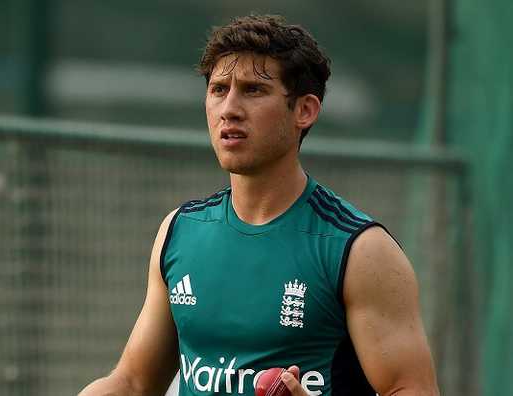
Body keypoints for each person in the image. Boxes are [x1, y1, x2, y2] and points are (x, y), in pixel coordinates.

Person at [78, 14, 439, 396]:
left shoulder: (359, 250)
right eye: (218, 89)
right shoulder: (180, 231)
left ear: (305, 110)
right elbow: (134, 383)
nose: (228, 109)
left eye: (252, 90)